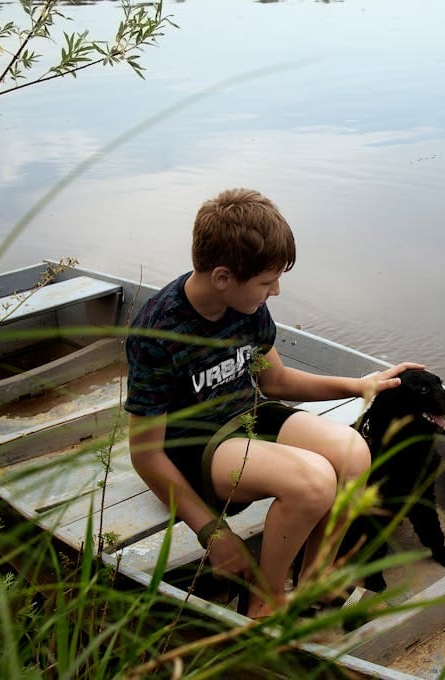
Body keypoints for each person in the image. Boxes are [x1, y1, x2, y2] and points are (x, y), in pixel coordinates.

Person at [124, 188, 419, 619]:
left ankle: (315, 578)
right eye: (266, 281)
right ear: (223, 277)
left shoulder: (248, 306)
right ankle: (264, 596)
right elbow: (145, 454)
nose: (276, 290)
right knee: (313, 481)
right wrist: (214, 533)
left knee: (354, 452)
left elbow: (274, 380)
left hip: (245, 416)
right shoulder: (159, 330)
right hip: (192, 448)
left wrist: (359, 386)